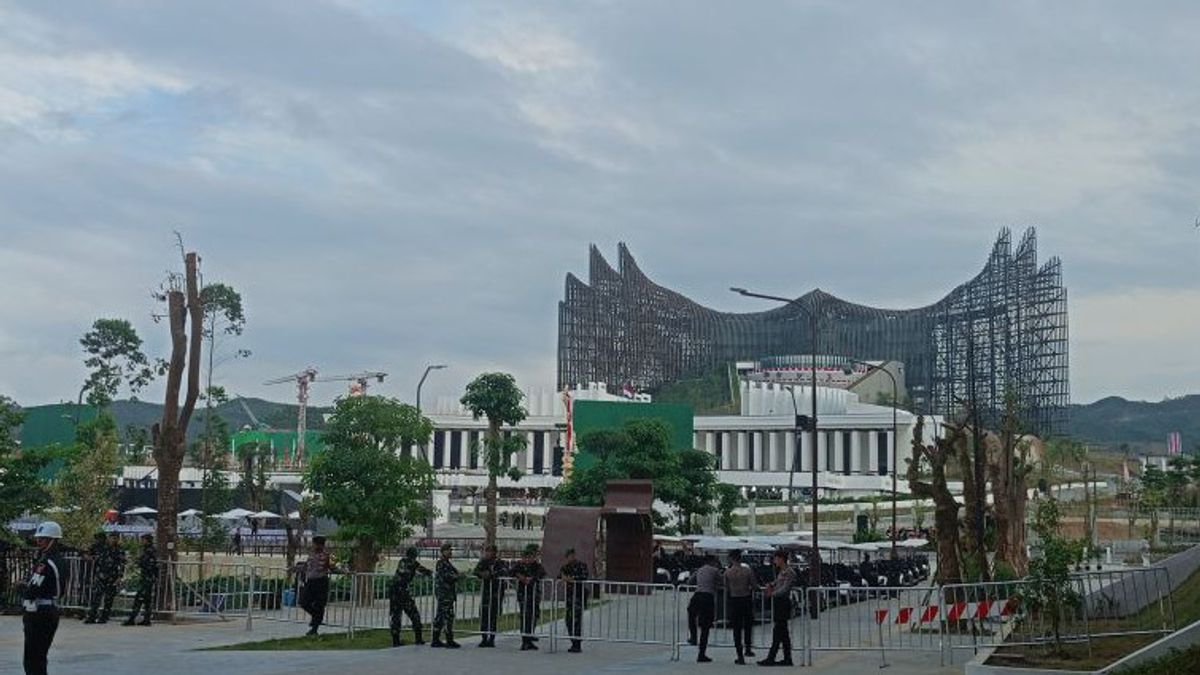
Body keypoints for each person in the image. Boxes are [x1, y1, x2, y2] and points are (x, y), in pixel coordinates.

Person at [22, 521, 66, 675]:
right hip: (48, 610)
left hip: (40, 612)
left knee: (33, 658)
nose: (39, 541)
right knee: (38, 657)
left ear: (53, 540)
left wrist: (23, 588)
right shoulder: (55, 559)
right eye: (39, 538)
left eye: (43, 539)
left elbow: (33, 589)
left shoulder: (47, 562)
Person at [758, 550, 796, 667]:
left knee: (778, 632)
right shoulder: (781, 572)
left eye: (776, 558)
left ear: (781, 559)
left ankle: (771, 658)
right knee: (783, 634)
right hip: (778, 602)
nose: (774, 561)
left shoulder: (790, 572)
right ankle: (787, 658)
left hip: (783, 603)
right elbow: (777, 583)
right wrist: (771, 584)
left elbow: (785, 588)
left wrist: (772, 594)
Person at [388, 547, 431, 647]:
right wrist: (430, 573)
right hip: (402, 592)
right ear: (414, 555)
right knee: (414, 614)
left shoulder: (402, 561)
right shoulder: (413, 563)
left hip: (394, 591)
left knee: (396, 616)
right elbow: (424, 571)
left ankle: (396, 641)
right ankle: (418, 638)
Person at [724, 550, 757, 664]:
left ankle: (739, 655)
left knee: (737, 629)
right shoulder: (747, 570)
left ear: (731, 559)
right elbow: (754, 585)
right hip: (746, 599)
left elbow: (727, 588)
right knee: (748, 626)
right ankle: (748, 649)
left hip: (734, 600)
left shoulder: (728, 572)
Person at [511, 543, 546, 651]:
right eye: (525, 557)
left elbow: (542, 573)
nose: (528, 559)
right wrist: (519, 576)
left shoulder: (537, 566)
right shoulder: (519, 565)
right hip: (523, 595)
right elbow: (510, 572)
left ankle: (530, 638)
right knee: (525, 617)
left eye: (530, 557)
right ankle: (525, 641)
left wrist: (532, 579)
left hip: (534, 595)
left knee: (534, 616)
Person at [299, 535, 336, 636]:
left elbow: (332, 567)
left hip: (321, 581)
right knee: (303, 602)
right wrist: (295, 569)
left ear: (320, 545)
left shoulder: (327, 555)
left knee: (319, 605)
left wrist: (344, 571)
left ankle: (314, 629)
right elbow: (306, 566)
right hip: (310, 581)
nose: (313, 546)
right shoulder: (311, 555)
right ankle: (317, 617)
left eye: (315, 544)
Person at [687, 554, 721, 663]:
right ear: (712, 561)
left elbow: (689, 581)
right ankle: (701, 654)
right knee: (705, 627)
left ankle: (693, 636)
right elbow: (722, 582)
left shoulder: (699, 570)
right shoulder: (715, 571)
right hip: (707, 597)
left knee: (691, 613)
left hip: (697, 595)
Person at [85, 532, 125, 624]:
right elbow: (88, 552)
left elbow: (122, 563)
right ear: (109, 538)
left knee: (109, 598)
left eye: (116, 538)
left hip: (112, 577)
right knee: (96, 597)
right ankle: (92, 616)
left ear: (118, 539)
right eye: (112, 538)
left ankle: (104, 617)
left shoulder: (119, 550)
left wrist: (120, 577)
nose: (113, 540)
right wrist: (89, 557)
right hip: (100, 575)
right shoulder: (101, 547)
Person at [473, 543, 508, 648]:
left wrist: (491, 574)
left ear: (495, 552)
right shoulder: (483, 562)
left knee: (493, 617)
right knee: (484, 616)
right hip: (486, 593)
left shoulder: (500, 563)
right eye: (487, 551)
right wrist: (483, 574)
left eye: (490, 551)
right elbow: (476, 571)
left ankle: (491, 639)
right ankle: (484, 638)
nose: (488, 553)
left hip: (496, 593)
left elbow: (504, 572)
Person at [430, 542, 461, 648]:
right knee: (442, 616)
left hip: (448, 594)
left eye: (451, 550)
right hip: (444, 594)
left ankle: (447, 639)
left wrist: (457, 575)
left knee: (448, 616)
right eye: (448, 550)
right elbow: (448, 576)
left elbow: (455, 572)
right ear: (443, 552)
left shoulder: (447, 563)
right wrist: (458, 577)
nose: (450, 552)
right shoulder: (441, 563)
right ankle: (438, 639)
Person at [558, 547, 589, 653]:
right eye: (569, 556)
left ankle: (577, 644)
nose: (571, 557)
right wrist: (564, 578)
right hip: (570, 597)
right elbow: (560, 576)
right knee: (568, 620)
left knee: (577, 620)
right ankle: (573, 641)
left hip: (579, 596)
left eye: (573, 555)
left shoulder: (582, 565)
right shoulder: (565, 567)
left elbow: (584, 576)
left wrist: (571, 579)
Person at [124, 533, 157, 626]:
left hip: (147, 578)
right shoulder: (149, 550)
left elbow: (146, 563)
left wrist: (138, 560)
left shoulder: (149, 551)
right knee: (147, 600)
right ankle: (146, 619)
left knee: (139, 598)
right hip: (147, 577)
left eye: (143, 540)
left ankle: (132, 619)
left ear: (147, 540)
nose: (142, 542)